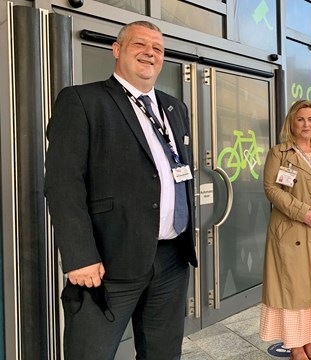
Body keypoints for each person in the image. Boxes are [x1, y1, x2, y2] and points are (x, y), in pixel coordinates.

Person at [45, 21, 197, 360]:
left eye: (157, 49)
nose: (150, 53)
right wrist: (79, 255)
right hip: (108, 261)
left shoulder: (175, 108)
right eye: (139, 45)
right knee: (90, 353)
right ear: (117, 50)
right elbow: (62, 183)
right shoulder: (83, 101)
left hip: (172, 258)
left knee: (163, 353)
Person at [260, 100, 311, 360]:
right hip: (293, 231)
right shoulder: (280, 153)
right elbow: (271, 189)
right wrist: (303, 213)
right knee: (295, 290)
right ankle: (296, 346)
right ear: (291, 123)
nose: (306, 124)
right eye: (300, 119)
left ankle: (309, 343)